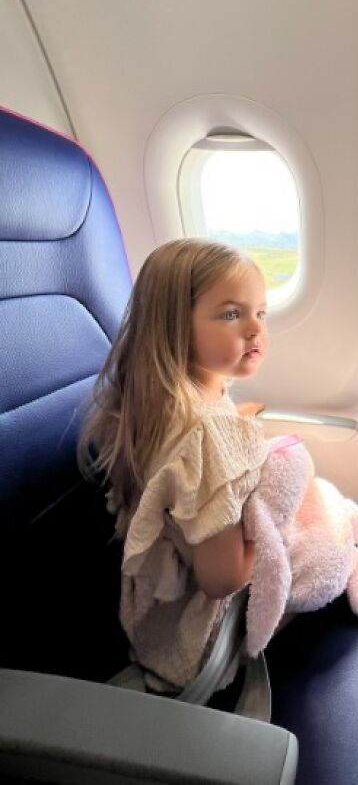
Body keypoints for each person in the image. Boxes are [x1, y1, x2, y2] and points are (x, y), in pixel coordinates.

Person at [78, 239, 272, 694]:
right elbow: (221, 579)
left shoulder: (170, 404)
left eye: (260, 313)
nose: (254, 330)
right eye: (231, 314)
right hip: (198, 636)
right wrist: (272, 530)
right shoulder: (204, 437)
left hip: (157, 610)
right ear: (174, 327)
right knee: (333, 549)